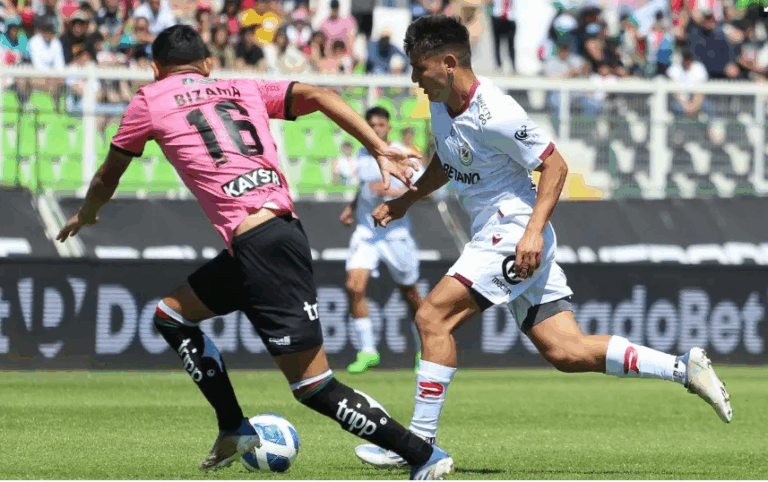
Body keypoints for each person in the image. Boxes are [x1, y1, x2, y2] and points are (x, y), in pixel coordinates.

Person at [55, 24, 449, 481]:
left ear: (155, 68)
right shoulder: (243, 86)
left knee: (314, 387)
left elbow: (108, 173)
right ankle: (233, 427)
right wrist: (379, 146)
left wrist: (87, 213)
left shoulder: (150, 98)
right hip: (266, 239)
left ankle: (423, 455)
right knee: (171, 316)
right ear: (207, 64)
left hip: (262, 246)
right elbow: (321, 94)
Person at [354, 14, 732, 470]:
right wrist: (406, 201)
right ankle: (683, 368)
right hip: (502, 234)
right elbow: (447, 161)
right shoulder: (441, 103)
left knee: (432, 316)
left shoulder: (496, 111)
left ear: (448, 63)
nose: (415, 78)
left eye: (420, 67)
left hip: (514, 232)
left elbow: (555, 165)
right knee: (567, 351)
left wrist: (532, 232)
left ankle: (420, 447)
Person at [339, 107, 424, 375]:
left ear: (388, 127)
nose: (376, 129)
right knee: (353, 286)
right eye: (372, 125)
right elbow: (365, 188)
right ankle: (367, 351)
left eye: (381, 125)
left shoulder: (402, 153)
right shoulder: (362, 154)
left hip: (396, 234)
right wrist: (353, 206)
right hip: (367, 232)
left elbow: (424, 190)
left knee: (410, 294)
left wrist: (391, 190)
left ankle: (425, 348)